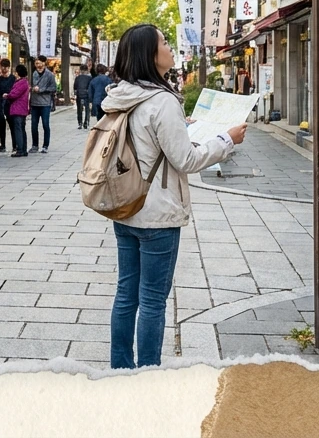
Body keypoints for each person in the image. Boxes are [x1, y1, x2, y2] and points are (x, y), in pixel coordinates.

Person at [103, 24, 247, 369]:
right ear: (150, 56)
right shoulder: (161, 100)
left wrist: (181, 125)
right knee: (152, 300)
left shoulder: (123, 94)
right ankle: (149, 373)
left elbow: (145, 138)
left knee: (126, 294)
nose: (169, 47)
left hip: (126, 206)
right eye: (164, 43)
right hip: (158, 214)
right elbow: (188, 160)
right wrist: (227, 140)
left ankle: (121, 368)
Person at [3, 63, 32, 157]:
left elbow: (14, 94)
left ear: (18, 73)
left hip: (18, 109)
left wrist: (7, 95)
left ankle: (20, 149)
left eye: (15, 72)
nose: (14, 73)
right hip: (21, 109)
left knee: (18, 129)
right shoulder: (23, 82)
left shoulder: (21, 83)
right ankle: (23, 149)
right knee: (21, 129)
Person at [29, 58, 57, 152]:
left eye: (39, 63)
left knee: (45, 124)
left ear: (43, 63)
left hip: (45, 103)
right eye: (36, 63)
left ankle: (45, 145)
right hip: (34, 103)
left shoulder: (50, 75)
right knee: (33, 125)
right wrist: (32, 88)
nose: (37, 65)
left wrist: (41, 89)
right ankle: (35, 145)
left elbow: (53, 88)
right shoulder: (33, 73)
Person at [0, 59, 17, 156]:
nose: (4, 69)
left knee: (12, 124)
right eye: (2, 67)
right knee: (1, 124)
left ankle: (14, 145)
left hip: (10, 103)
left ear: (9, 68)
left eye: (6, 67)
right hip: (0, 103)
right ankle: (2, 144)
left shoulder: (13, 79)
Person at [74, 63, 94, 131]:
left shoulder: (77, 78)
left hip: (79, 95)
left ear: (80, 70)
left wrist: (76, 94)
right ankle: (86, 122)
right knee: (87, 110)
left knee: (79, 110)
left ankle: (80, 123)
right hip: (86, 95)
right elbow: (90, 87)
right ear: (87, 70)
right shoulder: (89, 78)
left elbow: (75, 87)